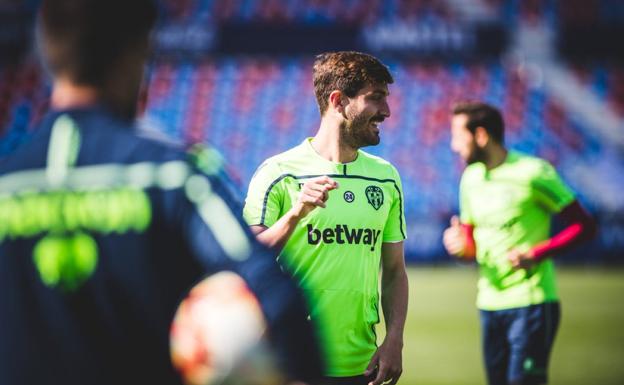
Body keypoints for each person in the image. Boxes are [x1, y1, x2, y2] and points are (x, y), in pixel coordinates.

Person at [0, 1, 322, 384]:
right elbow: (272, 291)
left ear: (47, 51)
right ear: (135, 52)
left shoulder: (7, 183)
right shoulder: (173, 175)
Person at [243, 51, 408, 385]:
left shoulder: (386, 177)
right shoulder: (278, 173)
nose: (387, 111)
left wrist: (394, 340)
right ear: (338, 101)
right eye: (375, 99)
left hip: (362, 365)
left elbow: (393, 271)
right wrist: (294, 213)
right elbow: (244, 262)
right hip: (291, 362)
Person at [443, 101, 596, 385]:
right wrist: (460, 247)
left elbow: (584, 226)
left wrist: (536, 253)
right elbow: (470, 247)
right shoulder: (470, 179)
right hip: (488, 304)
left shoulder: (534, 173)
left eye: (457, 136)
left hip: (532, 303)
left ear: (481, 136)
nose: (453, 146)